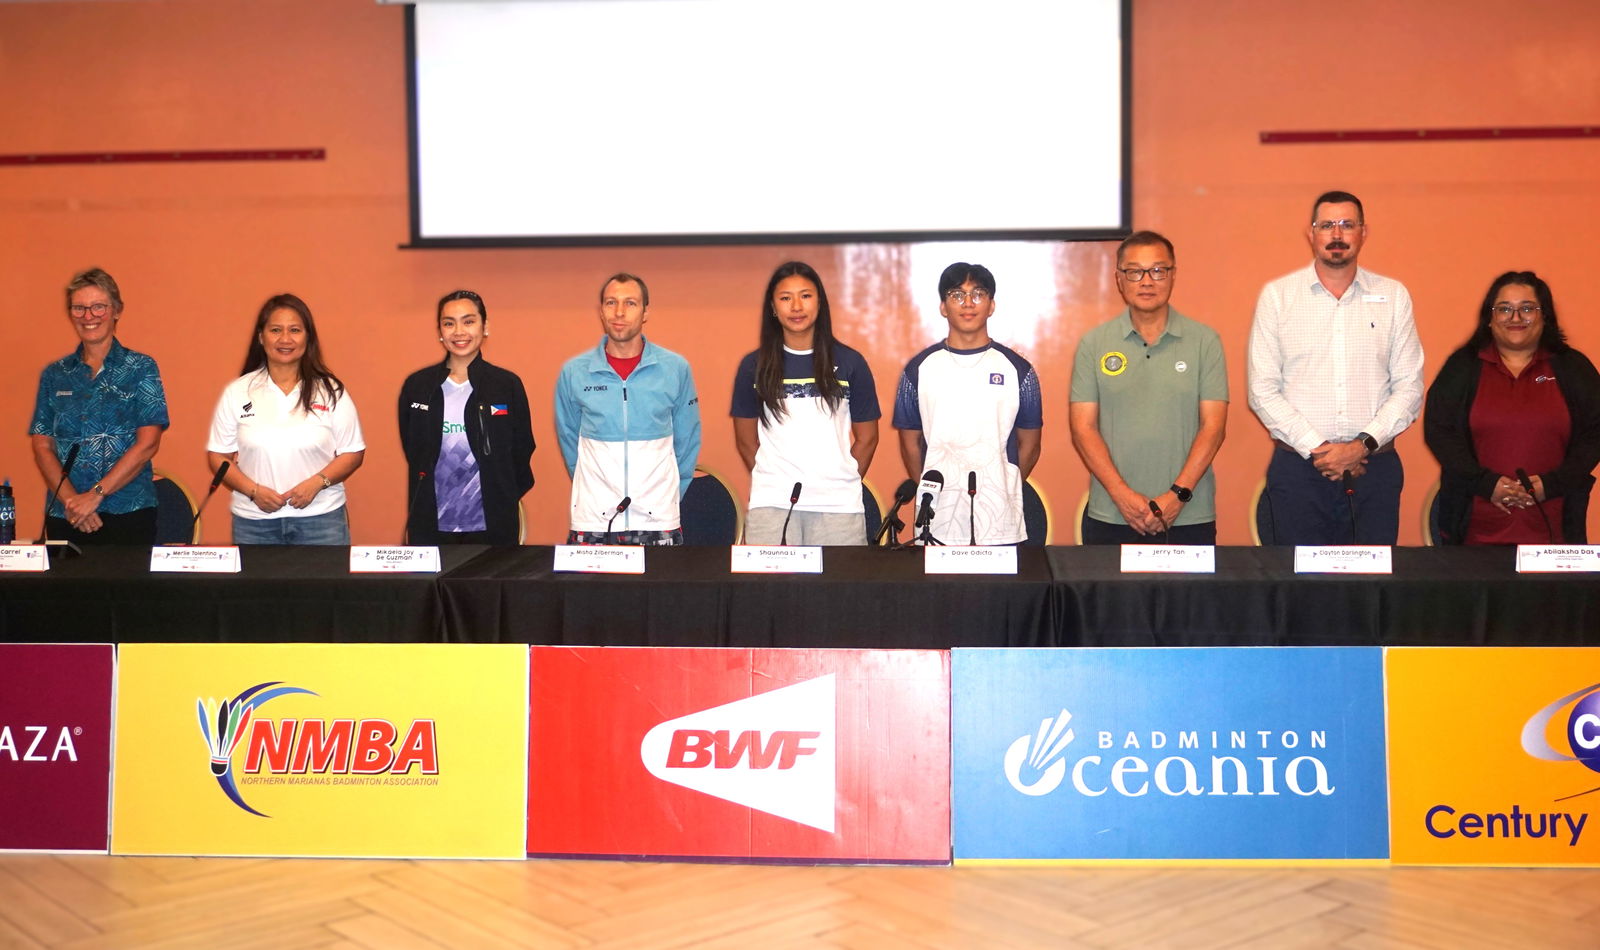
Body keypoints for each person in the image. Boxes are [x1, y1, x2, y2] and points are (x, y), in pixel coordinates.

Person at [1246, 190, 1424, 545]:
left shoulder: (1393, 295)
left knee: (1370, 589)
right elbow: (1262, 390)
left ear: (1363, 232)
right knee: (1303, 589)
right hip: (1299, 472)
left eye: (1347, 225)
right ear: (1311, 234)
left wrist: (1360, 446)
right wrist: (1322, 450)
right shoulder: (1279, 296)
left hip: (1374, 470)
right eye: (1327, 225)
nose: (1337, 235)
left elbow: (1409, 387)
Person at [1070, 232, 1228, 544]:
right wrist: (1123, 497)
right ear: (1119, 278)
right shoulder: (1094, 343)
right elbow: (1083, 428)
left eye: (1158, 270)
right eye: (1134, 271)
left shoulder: (1204, 342)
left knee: (1185, 596)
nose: (1146, 281)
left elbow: (1214, 427)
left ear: (1172, 275)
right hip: (1112, 513)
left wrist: (1177, 496)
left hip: (1187, 514)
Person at [1424, 272, 1600, 544]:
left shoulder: (1573, 368)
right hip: (1474, 529)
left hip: (1554, 527)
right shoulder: (1463, 367)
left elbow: (1594, 434)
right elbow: (1439, 432)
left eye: (1527, 308)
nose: (1515, 318)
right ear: (1490, 318)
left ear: (1545, 316)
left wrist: (1551, 484)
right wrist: (1487, 484)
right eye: (1504, 309)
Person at [893, 262, 1042, 545]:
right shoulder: (918, 369)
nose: (968, 303)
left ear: (992, 305)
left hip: (999, 517)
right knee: (940, 591)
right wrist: (930, 489)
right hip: (936, 517)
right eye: (956, 295)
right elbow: (909, 443)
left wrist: (1002, 486)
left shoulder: (1019, 370)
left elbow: (1031, 445)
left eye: (978, 294)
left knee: (1001, 591)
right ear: (943, 307)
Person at [731, 262, 880, 545]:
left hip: (838, 508)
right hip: (772, 507)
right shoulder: (754, 366)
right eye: (786, 298)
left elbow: (868, 438)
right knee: (771, 591)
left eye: (806, 296)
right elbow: (745, 441)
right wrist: (773, 479)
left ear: (820, 302)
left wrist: (840, 482)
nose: (796, 306)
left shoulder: (851, 363)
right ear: (773, 308)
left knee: (838, 590)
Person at [205, 294, 365, 544]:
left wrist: (317, 483)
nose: (285, 339)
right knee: (256, 585)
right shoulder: (238, 391)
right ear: (261, 337)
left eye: (295, 330)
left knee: (324, 585)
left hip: (321, 520)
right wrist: (253, 491)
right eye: (276, 330)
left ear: (307, 337)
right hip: (254, 523)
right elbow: (218, 456)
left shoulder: (331, 390)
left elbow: (353, 453)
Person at [555, 273, 701, 545]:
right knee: (591, 590)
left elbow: (687, 442)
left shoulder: (676, 369)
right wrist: (593, 491)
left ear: (646, 311)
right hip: (593, 519)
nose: (619, 312)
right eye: (611, 303)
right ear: (601, 311)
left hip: (658, 518)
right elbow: (569, 441)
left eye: (630, 303)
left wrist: (666, 494)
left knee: (658, 589)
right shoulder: (574, 372)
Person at [29, 268, 169, 545]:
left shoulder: (141, 368)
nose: (89, 316)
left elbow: (148, 444)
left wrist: (95, 496)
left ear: (116, 310)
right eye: (79, 308)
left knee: (127, 590)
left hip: (128, 512)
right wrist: (72, 501)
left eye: (98, 307)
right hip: (66, 514)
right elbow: (42, 446)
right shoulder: (54, 374)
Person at [398, 290, 535, 545]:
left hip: (494, 526)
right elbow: (414, 449)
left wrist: (502, 493)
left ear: (485, 327)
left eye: (468, 321)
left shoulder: (506, 385)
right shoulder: (418, 386)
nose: (459, 332)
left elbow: (523, 448)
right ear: (439, 331)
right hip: (431, 525)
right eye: (449, 323)